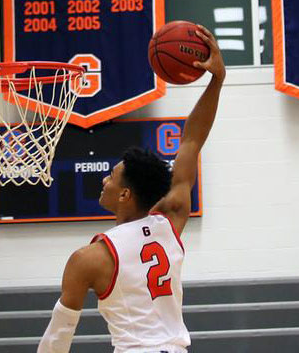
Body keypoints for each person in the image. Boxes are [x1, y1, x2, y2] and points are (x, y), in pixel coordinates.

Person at [37, 24, 226, 353]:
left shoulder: (90, 258)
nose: (104, 180)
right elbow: (192, 141)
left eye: (111, 177)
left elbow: (59, 336)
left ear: (126, 195)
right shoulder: (170, 222)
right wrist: (217, 80)